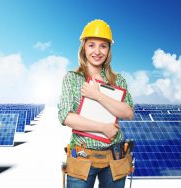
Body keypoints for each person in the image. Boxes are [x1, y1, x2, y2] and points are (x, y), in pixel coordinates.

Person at [58, 19, 134, 188]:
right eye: (91, 45)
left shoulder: (118, 80)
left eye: (103, 46)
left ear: (109, 50)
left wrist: (97, 95)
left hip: (115, 155)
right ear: (83, 47)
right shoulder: (72, 78)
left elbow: (128, 112)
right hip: (82, 154)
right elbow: (66, 117)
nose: (97, 51)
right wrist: (102, 127)